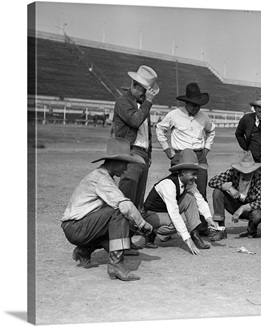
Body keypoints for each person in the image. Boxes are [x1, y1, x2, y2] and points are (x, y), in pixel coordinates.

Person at [61, 138, 154, 281]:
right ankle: (116, 265)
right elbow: (124, 206)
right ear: (114, 162)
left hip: (78, 226)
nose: (126, 168)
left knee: (119, 221)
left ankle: (84, 251)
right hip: (76, 227)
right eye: (125, 163)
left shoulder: (103, 176)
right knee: (118, 213)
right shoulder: (102, 179)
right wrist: (142, 224)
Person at [141, 149, 220, 255]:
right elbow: (174, 213)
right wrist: (188, 240)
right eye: (193, 174)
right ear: (183, 172)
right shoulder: (168, 184)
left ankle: (195, 233)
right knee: (177, 223)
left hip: (165, 212)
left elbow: (200, 200)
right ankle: (150, 231)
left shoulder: (189, 183)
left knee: (190, 198)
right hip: (151, 214)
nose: (196, 177)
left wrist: (209, 219)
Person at [156, 82, 215, 201]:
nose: (196, 108)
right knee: (178, 192)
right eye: (193, 105)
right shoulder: (174, 115)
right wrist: (167, 150)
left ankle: (201, 219)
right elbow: (160, 129)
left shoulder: (204, 117)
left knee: (201, 193)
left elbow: (211, 130)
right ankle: (177, 219)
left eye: (199, 105)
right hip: (180, 157)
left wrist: (207, 148)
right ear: (186, 102)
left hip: (199, 157)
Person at [113, 65, 159, 210]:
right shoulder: (123, 102)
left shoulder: (143, 105)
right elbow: (135, 120)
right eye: (144, 90)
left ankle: (132, 230)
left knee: (138, 199)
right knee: (127, 196)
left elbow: (147, 133)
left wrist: (149, 154)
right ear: (134, 85)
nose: (145, 94)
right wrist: (148, 102)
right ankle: (120, 230)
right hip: (130, 152)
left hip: (143, 154)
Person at [208, 151, 261, 239]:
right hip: (235, 204)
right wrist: (229, 188)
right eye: (244, 171)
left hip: (250, 209)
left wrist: (242, 208)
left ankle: (251, 230)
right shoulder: (233, 172)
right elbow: (212, 181)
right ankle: (220, 229)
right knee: (217, 192)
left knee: (257, 215)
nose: (246, 174)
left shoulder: (259, 177)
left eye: (249, 171)